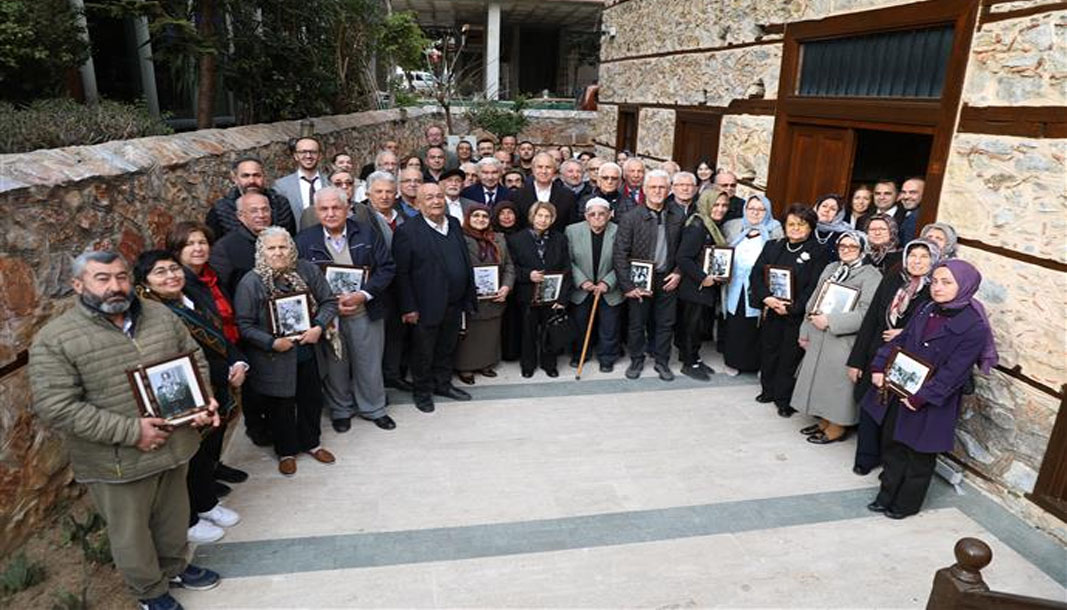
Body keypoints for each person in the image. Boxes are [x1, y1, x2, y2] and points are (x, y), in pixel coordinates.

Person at [30, 251, 222, 610]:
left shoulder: (160, 315)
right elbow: (55, 406)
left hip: (175, 444)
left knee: (173, 517)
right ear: (78, 285)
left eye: (121, 277)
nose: (115, 286)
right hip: (117, 459)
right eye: (102, 279)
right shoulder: (55, 339)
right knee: (131, 533)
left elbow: (193, 357)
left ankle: (175, 567)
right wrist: (132, 431)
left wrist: (202, 400)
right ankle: (150, 591)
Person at [865, 259, 998, 518]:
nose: (937, 287)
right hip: (901, 389)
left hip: (933, 401)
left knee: (919, 456)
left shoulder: (974, 327)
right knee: (894, 447)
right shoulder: (927, 308)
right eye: (935, 281)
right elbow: (901, 341)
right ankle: (885, 496)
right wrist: (880, 365)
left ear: (965, 286)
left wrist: (920, 398)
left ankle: (905, 505)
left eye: (946, 282)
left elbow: (954, 373)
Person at [134, 250, 246, 544]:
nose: (171, 276)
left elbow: (220, 336)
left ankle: (206, 503)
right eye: (160, 272)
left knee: (206, 451)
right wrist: (225, 371)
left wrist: (238, 362)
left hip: (213, 386)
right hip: (184, 393)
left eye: (174, 269)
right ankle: (188, 520)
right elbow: (173, 360)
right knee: (187, 457)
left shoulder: (190, 297)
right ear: (144, 281)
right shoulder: (149, 313)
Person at [234, 227, 338, 476]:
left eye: (283, 246)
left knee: (311, 400)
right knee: (280, 406)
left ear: (291, 248)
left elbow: (329, 301)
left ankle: (312, 444)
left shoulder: (306, 270)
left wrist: (318, 326)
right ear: (262, 251)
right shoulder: (251, 282)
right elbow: (244, 325)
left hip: (308, 352)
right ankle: (287, 451)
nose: (278, 252)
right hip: (274, 358)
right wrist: (271, 343)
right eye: (271, 248)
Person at [296, 187, 397, 433]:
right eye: (324, 209)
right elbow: (298, 280)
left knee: (369, 361)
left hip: (365, 309)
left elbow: (386, 268)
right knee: (335, 364)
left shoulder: (367, 233)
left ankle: (374, 408)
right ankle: (341, 410)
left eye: (336, 207)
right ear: (316, 211)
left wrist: (363, 295)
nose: (330, 213)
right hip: (329, 316)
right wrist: (326, 305)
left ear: (347, 209)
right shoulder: (303, 240)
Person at [166, 221, 250, 489]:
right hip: (203, 367)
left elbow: (224, 323)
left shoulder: (211, 277)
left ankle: (214, 466)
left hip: (225, 354)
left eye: (202, 242)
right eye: (190, 243)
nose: (198, 248)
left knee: (220, 422)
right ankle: (204, 481)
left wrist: (237, 360)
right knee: (205, 427)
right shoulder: (177, 286)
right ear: (176, 250)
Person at [848, 239, 941, 475]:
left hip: (910, 361)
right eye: (913, 255)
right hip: (877, 355)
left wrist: (906, 332)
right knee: (870, 405)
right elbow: (871, 320)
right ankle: (866, 457)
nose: (917, 261)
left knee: (895, 413)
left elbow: (935, 328)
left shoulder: (936, 293)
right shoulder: (892, 279)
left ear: (934, 260)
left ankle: (888, 462)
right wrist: (857, 360)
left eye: (924, 256)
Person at [392, 183, 478, 412]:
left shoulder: (455, 224)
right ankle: (422, 392)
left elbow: (463, 259)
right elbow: (401, 274)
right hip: (424, 305)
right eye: (429, 197)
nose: (436, 201)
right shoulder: (407, 232)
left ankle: (443, 384)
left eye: (439, 196)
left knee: (447, 348)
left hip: (455, 302)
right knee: (423, 353)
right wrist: (408, 307)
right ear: (418, 203)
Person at [792, 231, 883, 443]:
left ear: (863, 249)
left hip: (843, 340)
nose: (846, 250)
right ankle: (824, 420)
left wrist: (831, 322)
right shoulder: (831, 268)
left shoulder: (871, 276)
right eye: (843, 246)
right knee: (819, 381)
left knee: (837, 386)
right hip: (818, 332)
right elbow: (814, 301)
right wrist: (805, 331)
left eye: (853, 246)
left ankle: (837, 427)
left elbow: (866, 314)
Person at [749, 203, 828, 417]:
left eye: (801, 224)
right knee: (769, 351)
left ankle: (784, 400)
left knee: (789, 357)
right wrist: (767, 299)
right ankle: (768, 390)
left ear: (811, 226)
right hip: (772, 309)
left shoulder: (819, 252)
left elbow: (815, 286)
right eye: (790, 224)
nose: (795, 228)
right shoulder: (773, 246)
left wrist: (792, 308)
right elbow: (756, 275)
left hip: (797, 316)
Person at [613, 169, 685, 381]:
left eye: (662, 187)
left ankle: (662, 362)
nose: (657, 191)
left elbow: (686, 250)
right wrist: (627, 286)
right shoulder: (630, 218)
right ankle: (636, 360)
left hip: (667, 279)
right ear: (644, 190)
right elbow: (620, 253)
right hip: (640, 280)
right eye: (653, 187)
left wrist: (679, 272)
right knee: (637, 323)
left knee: (665, 323)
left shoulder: (677, 215)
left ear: (669, 190)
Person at [508, 202, 572, 377]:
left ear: (552, 219)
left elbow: (566, 269)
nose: (543, 220)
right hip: (527, 294)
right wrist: (528, 275)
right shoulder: (516, 239)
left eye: (547, 216)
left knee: (549, 331)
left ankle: (549, 364)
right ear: (532, 217)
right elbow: (511, 268)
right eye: (540, 215)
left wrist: (562, 299)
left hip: (552, 295)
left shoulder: (560, 239)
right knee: (527, 332)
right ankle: (528, 365)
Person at [721, 194, 783, 375]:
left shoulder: (775, 230)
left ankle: (757, 364)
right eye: (751, 208)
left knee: (758, 327)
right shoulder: (734, 227)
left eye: (760, 209)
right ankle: (733, 362)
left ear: (767, 211)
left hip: (760, 287)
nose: (755, 212)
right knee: (736, 324)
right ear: (745, 210)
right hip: (735, 286)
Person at [454, 204, 515, 383]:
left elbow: (509, 266)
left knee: (490, 332)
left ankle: (486, 363)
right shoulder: (459, 238)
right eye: (476, 216)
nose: (480, 219)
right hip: (471, 296)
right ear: (468, 218)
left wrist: (506, 287)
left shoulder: (499, 238)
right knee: (470, 334)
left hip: (495, 296)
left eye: (484, 216)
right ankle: (466, 367)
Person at [365, 172, 412, 393]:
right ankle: (374, 382)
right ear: (368, 194)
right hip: (374, 286)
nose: (384, 196)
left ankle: (393, 374)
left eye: (389, 192)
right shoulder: (360, 218)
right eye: (379, 192)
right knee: (373, 337)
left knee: (396, 332)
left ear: (397, 194)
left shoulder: (405, 218)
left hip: (401, 286)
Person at [675, 189, 730, 380]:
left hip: (702, 287)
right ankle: (689, 364)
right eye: (716, 204)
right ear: (706, 204)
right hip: (694, 287)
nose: (720, 209)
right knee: (692, 326)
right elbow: (683, 258)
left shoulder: (711, 225)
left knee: (696, 325)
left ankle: (693, 358)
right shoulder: (698, 226)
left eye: (724, 205)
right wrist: (703, 277)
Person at [566, 198, 623, 372]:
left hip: (609, 288)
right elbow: (568, 260)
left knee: (609, 325)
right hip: (582, 287)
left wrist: (608, 282)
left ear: (609, 215)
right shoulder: (572, 231)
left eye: (602, 214)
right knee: (580, 323)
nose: (597, 217)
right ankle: (580, 354)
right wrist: (582, 281)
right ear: (586, 216)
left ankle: (607, 357)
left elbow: (624, 260)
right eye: (592, 214)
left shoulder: (619, 231)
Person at [207, 155, 296, 237]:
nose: (252, 181)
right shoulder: (221, 210)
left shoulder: (280, 204)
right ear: (235, 179)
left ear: (264, 177)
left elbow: (290, 237)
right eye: (245, 176)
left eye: (257, 175)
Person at [513, 152, 579, 231]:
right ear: (533, 169)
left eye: (548, 167)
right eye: (540, 167)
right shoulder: (518, 195)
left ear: (554, 170)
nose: (544, 171)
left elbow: (571, 226)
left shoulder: (568, 196)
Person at [275, 137, 330, 225]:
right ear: (295, 156)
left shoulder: (330, 183)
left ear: (320, 156)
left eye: (313, 152)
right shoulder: (281, 186)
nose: (308, 156)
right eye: (303, 152)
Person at [812, 194, 852, 260]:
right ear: (817, 208)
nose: (827, 210)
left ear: (838, 215)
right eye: (824, 206)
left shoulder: (844, 235)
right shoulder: (806, 227)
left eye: (833, 209)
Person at [897, 177, 925, 242]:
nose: (906, 197)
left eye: (913, 192)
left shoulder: (916, 217)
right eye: (903, 192)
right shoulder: (904, 213)